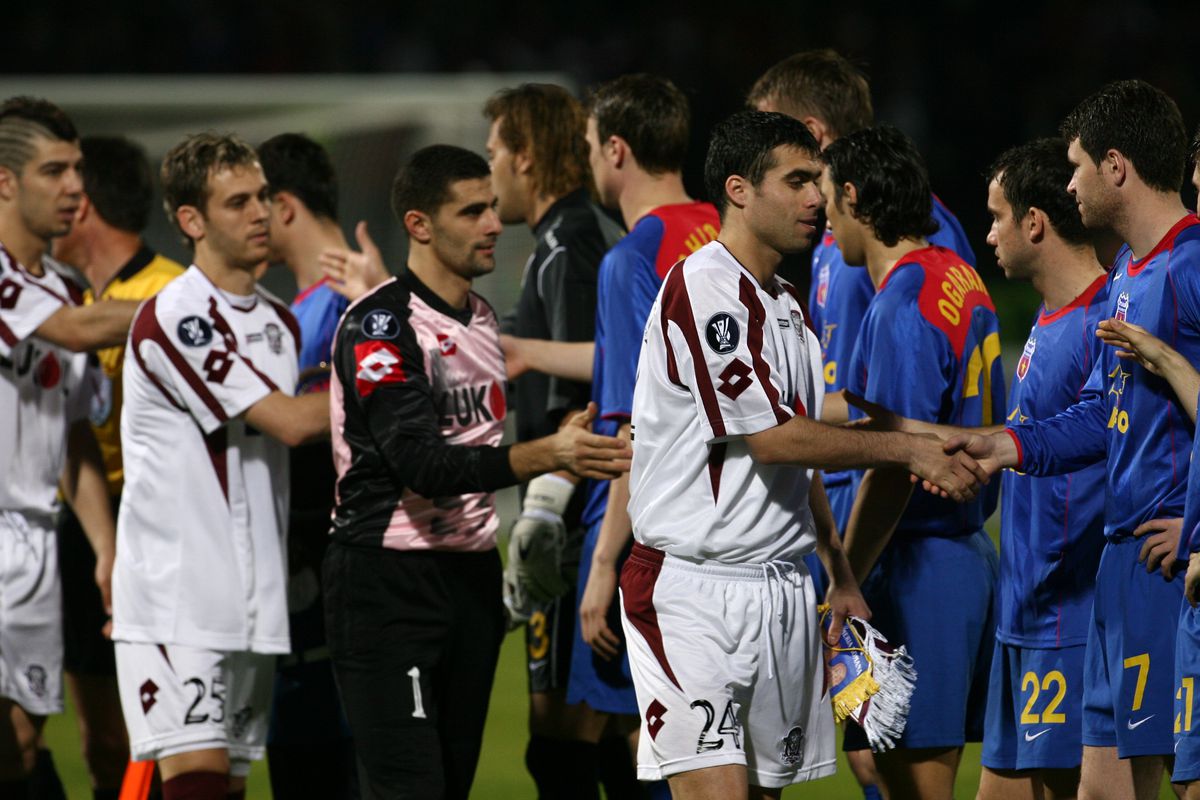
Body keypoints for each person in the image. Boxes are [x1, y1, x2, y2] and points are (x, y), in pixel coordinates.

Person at [621, 109, 986, 800]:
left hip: (784, 588)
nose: (819, 197)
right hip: (694, 588)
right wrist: (911, 451)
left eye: (818, 179)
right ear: (738, 189)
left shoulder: (787, 305)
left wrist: (841, 572)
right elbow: (771, 438)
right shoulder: (704, 290)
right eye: (797, 181)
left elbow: (804, 455)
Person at [321, 143, 631, 800]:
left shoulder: (483, 319)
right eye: (472, 211)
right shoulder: (379, 325)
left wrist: (563, 440)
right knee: (410, 788)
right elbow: (420, 464)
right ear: (419, 225)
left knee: (451, 784)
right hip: (387, 583)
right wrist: (548, 456)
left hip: (469, 578)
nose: (494, 223)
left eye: (492, 206)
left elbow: (475, 441)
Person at [946, 80, 1200, 800]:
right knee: (1103, 792)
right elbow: (1100, 415)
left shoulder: (1191, 265)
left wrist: (1198, 528)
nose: (1068, 183)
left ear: (1115, 167)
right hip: (1118, 566)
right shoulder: (1128, 272)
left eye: (1077, 164)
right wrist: (1007, 448)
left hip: (1164, 562)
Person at [111, 132, 332, 800]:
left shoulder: (277, 323)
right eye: (237, 202)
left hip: (251, 599)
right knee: (196, 786)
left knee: (225, 789)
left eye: (263, 196)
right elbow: (292, 424)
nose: (260, 213)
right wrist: (384, 381)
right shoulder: (176, 316)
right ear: (191, 221)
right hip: (179, 599)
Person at [812, 124, 1004, 800]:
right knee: (873, 761)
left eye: (832, 201)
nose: (826, 221)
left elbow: (893, 463)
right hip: (949, 557)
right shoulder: (955, 277)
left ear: (857, 198)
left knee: (917, 783)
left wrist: (845, 578)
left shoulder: (899, 305)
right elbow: (885, 416)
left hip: (918, 567)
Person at [482, 83, 629, 799]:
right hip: (581, 520)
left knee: (566, 740)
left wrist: (544, 510)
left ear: (527, 157)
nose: (489, 175)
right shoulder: (569, 237)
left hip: (576, 524)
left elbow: (593, 394)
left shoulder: (568, 245)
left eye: (494, 155)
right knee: (604, 736)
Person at [50, 134, 185, 800]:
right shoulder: (64, 298)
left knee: (156, 737)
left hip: (152, 530)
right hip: (77, 522)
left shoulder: (171, 293)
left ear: (85, 208)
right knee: (99, 744)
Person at [0, 95, 121, 799]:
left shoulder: (68, 287)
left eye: (77, 169)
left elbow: (74, 435)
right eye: (54, 170)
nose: (75, 186)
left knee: (20, 743)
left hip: (36, 537)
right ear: (5, 181)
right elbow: (76, 334)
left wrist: (104, 549)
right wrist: (201, 308)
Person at [256, 132, 358, 799]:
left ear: (283, 205)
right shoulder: (303, 305)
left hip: (332, 583)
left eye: (250, 202)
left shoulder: (341, 300)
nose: (243, 219)